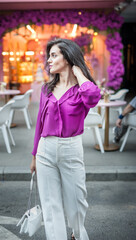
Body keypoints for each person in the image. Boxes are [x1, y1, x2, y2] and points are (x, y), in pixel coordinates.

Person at [30, 38, 101, 240]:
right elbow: (39, 125)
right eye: (48, 56)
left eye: (54, 55)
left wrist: (78, 72)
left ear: (68, 57)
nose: (48, 61)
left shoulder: (82, 91)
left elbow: (93, 98)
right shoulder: (46, 89)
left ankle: (78, 235)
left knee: (77, 202)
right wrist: (34, 155)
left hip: (71, 148)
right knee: (50, 204)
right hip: (45, 149)